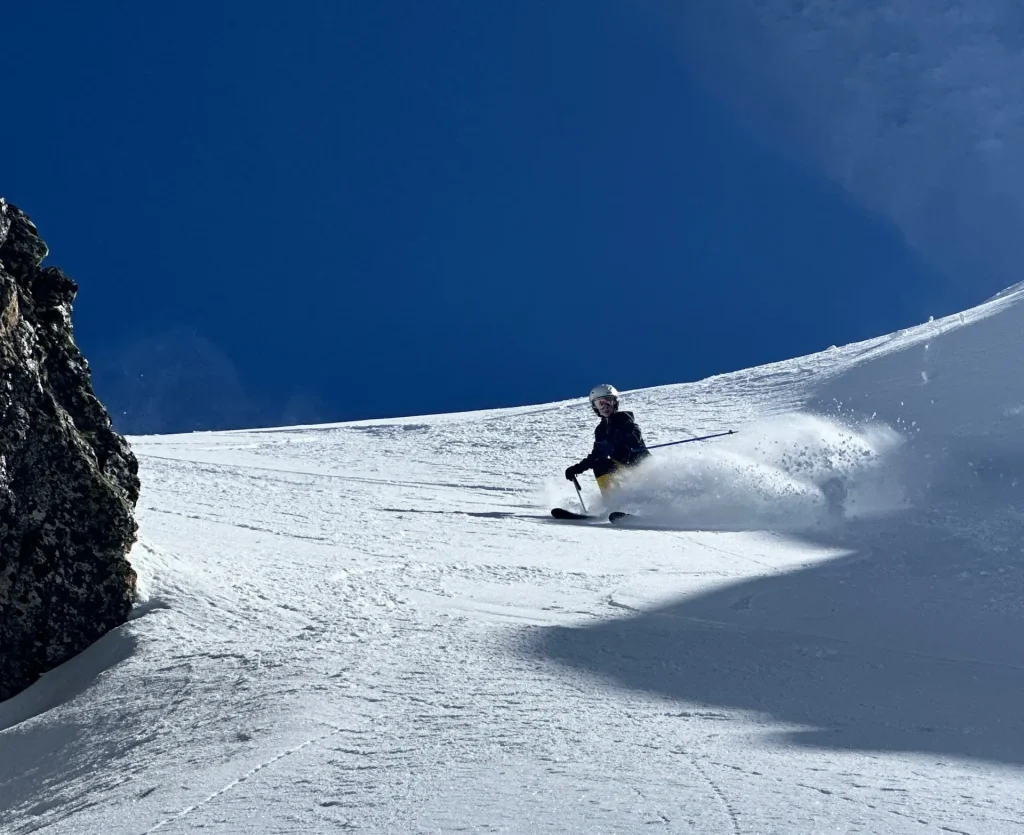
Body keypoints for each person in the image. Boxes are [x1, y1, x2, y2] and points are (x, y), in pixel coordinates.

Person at [565, 384, 650, 495]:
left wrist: (623, 436)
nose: (605, 406)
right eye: (600, 403)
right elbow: (597, 455)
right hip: (624, 470)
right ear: (595, 407)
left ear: (615, 402)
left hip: (642, 468)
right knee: (600, 464)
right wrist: (578, 468)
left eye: (608, 401)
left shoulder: (624, 419)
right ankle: (614, 503)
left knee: (601, 463)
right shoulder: (600, 430)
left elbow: (634, 435)